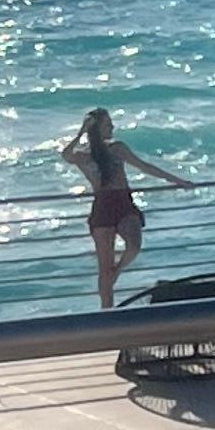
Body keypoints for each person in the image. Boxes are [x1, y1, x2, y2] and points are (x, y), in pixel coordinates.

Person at [60, 107, 192, 312]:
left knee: (134, 244)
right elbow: (66, 155)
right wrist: (81, 132)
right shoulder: (84, 155)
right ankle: (107, 314)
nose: (112, 127)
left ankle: (117, 271)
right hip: (102, 205)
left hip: (123, 201)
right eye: (107, 124)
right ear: (96, 129)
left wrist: (177, 181)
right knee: (104, 268)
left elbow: (145, 166)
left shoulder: (117, 148)